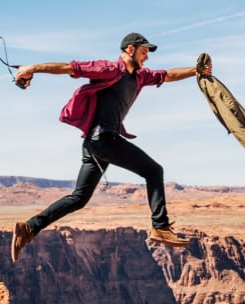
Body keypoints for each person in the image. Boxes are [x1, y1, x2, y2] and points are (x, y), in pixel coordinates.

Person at [11, 32, 211, 262]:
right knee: (154, 171)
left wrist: (196, 71)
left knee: (79, 198)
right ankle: (160, 226)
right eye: (144, 52)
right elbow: (68, 68)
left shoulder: (140, 76)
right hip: (103, 140)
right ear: (130, 50)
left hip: (94, 145)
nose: (146, 58)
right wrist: (32, 68)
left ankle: (28, 228)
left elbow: (168, 75)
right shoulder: (108, 69)